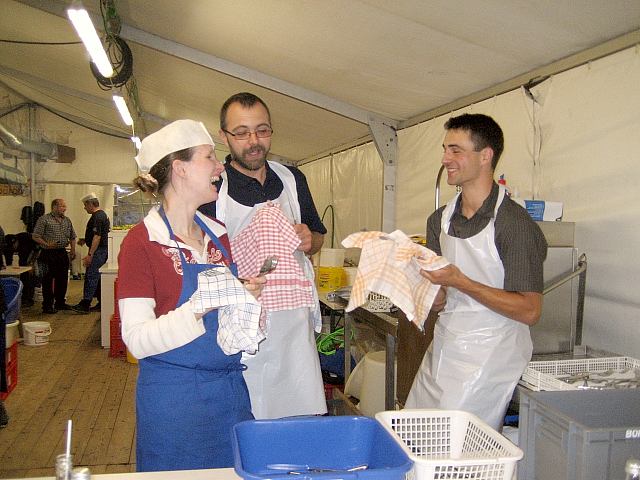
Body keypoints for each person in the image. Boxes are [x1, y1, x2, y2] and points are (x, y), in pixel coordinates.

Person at [117, 119, 265, 471]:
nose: (219, 166)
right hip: (174, 402)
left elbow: (226, 324)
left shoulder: (217, 233)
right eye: (209, 157)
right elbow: (136, 341)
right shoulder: (142, 242)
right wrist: (202, 305)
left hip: (229, 396)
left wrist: (245, 300)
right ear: (180, 168)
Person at [405, 113, 548, 431]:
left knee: (458, 446)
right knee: (415, 432)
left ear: (486, 156)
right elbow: (442, 299)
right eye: (445, 149)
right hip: (446, 346)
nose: (445, 159)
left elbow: (529, 310)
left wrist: (461, 281)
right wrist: (422, 286)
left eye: (456, 150)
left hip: (491, 352)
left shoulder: (513, 223)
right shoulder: (439, 220)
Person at [199, 92, 328, 419]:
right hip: (244, 323)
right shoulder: (214, 188)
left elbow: (319, 236)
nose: (253, 141)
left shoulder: (292, 178)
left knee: (300, 413)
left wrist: (308, 240)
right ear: (223, 136)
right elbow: (202, 260)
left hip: (294, 325)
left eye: (262, 130)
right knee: (251, 415)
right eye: (241, 133)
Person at [32, 199, 77, 314]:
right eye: (62, 206)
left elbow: (72, 236)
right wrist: (47, 244)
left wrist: (73, 250)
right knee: (47, 280)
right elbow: (35, 236)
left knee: (62, 279)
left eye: (65, 206)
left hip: (62, 253)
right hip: (48, 253)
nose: (64, 208)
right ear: (54, 207)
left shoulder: (67, 220)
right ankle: (47, 305)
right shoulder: (44, 220)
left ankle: (60, 303)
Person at [72, 193, 110, 313]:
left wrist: (90, 255)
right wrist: (86, 239)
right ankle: (100, 302)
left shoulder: (97, 217)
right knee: (97, 278)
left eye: (85, 205)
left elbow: (97, 236)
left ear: (90, 204)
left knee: (91, 276)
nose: (84, 208)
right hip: (101, 250)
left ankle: (85, 303)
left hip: (98, 251)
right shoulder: (101, 215)